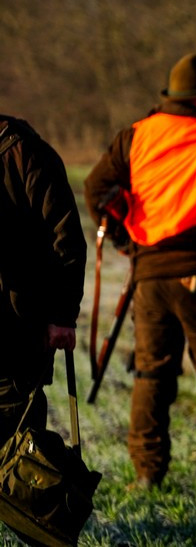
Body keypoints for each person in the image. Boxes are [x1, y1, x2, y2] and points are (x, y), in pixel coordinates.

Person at [84, 53, 196, 488]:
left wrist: (125, 240)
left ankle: (147, 472)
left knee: (151, 374)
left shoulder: (136, 135)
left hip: (150, 278)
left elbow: (95, 188)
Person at [0, 116, 85, 442]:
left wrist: (62, 316)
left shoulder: (25, 152)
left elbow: (65, 239)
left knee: (18, 448)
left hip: (14, 336)